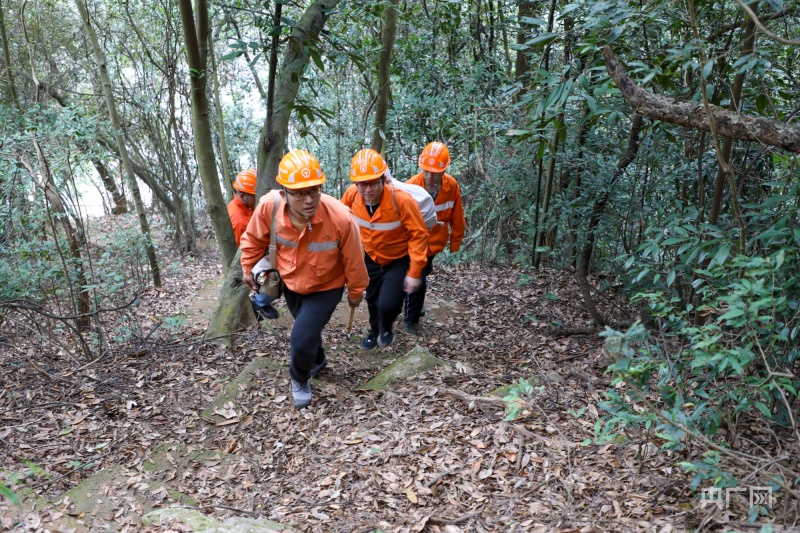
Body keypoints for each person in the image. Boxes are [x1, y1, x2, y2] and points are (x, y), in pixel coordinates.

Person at [240, 150, 369, 408]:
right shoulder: (269, 207)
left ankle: (299, 377)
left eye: (314, 190)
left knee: (300, 337)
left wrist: (356, 291)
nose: (308, 199)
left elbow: (355, 260)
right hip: (290, 282)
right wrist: (247, 268)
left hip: (326, 287)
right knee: (307, 331)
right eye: (299, 193)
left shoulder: (341, 218)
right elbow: (253, 239)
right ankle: (318, 359)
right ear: (285, 192)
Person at [341, 149, 429, 350]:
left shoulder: (402, 201)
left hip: (397, 259)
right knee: (371, 298)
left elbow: (419, 235)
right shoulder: (351, 196)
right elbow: (340, 223)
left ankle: (387, 324)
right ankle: (374, 330)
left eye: (373, 183)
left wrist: (415, 272)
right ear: (356, 184)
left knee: (388, 303)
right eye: (363, 184)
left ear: (383, 180)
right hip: (368, 257)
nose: (368, 189)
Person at [404, 142, 466, 335]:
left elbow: (457, 216)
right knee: (418, 278)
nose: (430, 176)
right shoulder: (411, 185)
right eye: (426, 171)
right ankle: (410, 319)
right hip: (414, 243)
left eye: (435, 172)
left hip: (435, 244)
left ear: (444, 169)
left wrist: (455, 242)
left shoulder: (451, 186)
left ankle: (411, 300)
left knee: (425, 270)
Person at [228, 169, 278, 320]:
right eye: (254, 196)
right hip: (252, 255)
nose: (257, 199)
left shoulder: (246, 207)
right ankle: (260, 301)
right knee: (276, 271)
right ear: (243, 195)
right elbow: (243, 248)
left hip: (260, 248)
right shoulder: (239, 219)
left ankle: (261, 299)